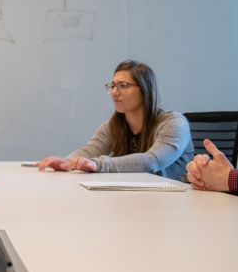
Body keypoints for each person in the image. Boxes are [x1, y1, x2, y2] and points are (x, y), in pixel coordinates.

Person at [38, 60, 193, 181]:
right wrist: (67, 162)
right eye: (112, 86)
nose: (114, 92)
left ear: (145, 90)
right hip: (136, 199)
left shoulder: (174, 123)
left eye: (123, 86)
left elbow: (151, 161)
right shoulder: (114, 125)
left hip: (175, 203)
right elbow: (90, 151)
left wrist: (99, 164)